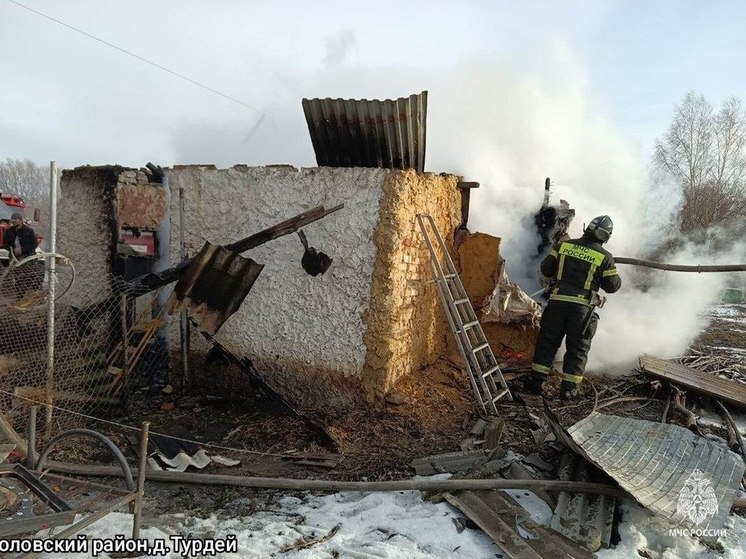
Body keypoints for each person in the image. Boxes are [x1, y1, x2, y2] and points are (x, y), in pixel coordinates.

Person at [526, 215, 622, 399]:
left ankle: (536, 382)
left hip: (556, 304)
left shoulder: (564, 246)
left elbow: (546, 269)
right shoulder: (605, 257)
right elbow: (613, 286)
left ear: (587, 229)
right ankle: (569, 390)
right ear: (606, 237)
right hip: (581, 310)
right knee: (577, 349)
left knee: (547, 342)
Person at [2, 212, 41, 297]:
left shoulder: (29, 231)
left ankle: (34, 295)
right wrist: (12, 249)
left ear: (21, 220)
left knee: (31, 275)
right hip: (16, 257)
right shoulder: (8, 231)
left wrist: (22, 250)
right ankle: (20, 296)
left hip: (28, 257)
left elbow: (34, 244)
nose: (14, 220)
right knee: (19, 276)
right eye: (13, 219)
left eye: (16, 219)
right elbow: (5, 244)